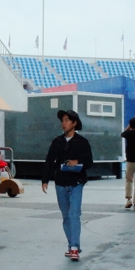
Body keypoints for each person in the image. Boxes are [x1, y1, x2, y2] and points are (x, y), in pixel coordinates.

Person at [41, 110, 94, 261]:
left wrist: (77, 162)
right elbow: (49, 160)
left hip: (76, 183)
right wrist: (45, 180)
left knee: (74, 214)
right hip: (60, 183)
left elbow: (89, 162)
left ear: (74, 123)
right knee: (66, 216)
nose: (63, 123)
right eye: (62, 120)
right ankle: (71, 246)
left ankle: (75, 247)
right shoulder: (57, 141)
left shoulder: (82, 142)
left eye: (66, 120)